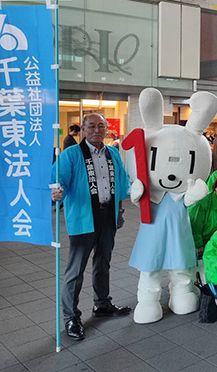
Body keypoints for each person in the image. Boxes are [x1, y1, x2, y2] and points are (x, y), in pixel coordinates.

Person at [53, 114, 133, 340]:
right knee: (75, 269)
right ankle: (71, 317)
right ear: (84, 129)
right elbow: (59, 182)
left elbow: (121, 182)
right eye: (91, 126)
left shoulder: (113, 153)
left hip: (107, 215)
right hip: (83, 216)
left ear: (107, 130)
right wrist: (57, 191)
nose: (97, 130)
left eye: (101, 126)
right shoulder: (71, 154)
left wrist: (119, 212)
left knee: (103, 262)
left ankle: (102, 303)